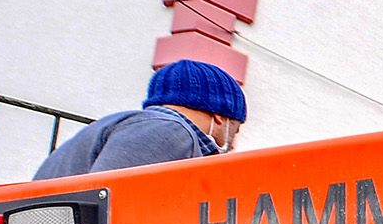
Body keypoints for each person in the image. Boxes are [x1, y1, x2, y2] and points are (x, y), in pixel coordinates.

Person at [34, 60, 245, 180]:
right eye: (236, 129)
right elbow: (111, 203)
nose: (233, 142)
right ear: (221, 116)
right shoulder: (169, 131)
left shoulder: (124, 125)